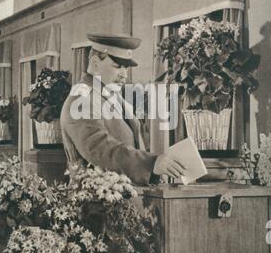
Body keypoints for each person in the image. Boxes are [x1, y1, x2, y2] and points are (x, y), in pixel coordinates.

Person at [60, 33, 186, 186]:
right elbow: (101, 149)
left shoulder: (111, 96)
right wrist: (151, 163)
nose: (124, 75)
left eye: (126, 67)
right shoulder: (82, 99)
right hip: (94, 203)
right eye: (117, 66)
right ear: (95, 63)